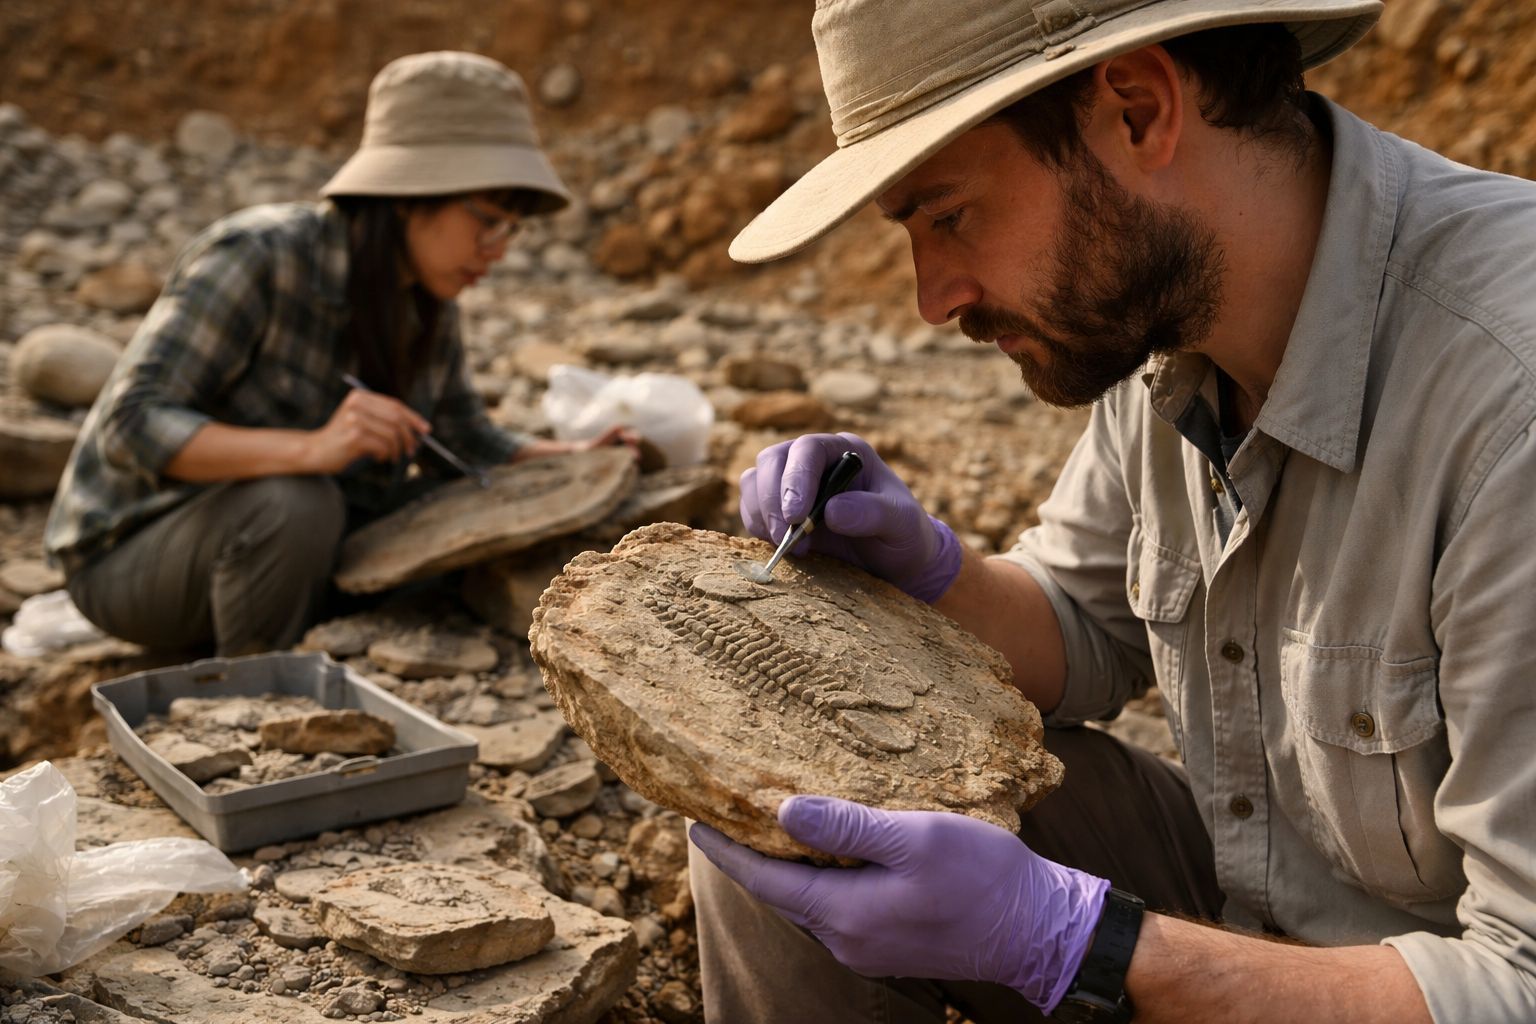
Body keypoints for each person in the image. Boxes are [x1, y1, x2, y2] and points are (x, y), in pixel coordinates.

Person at [687, 0, 1536, 1021]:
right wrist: (931, 571)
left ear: (1135, 111)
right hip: (1258, 909)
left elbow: (1518, 984)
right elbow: (1084, 628)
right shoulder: (1180, 320)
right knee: (792, 807)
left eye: (950, 215)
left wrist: (1085, 942)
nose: (933, 296)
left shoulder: (1507, 398)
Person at [44, 51, 631, 657]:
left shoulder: (425, 298)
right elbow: (133, 424)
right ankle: (257, 686)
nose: (497, 249)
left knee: (460, 512)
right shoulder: (259, 256)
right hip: (133, 555)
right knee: (297, 501)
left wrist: (577, 460)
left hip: (286, 542)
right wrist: (313, 449)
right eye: (486, 220)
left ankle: (331, 634)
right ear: (409, 193)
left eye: (511, 227)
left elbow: (462, 442)